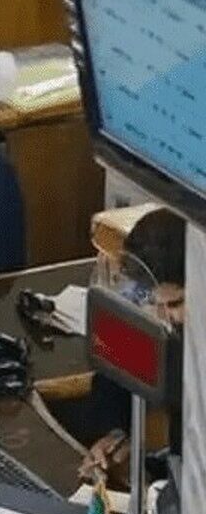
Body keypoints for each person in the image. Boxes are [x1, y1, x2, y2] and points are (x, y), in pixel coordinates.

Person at [79, 208, 186, 486]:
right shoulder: (159, 312)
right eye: (154, 302)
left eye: (175, 304)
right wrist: (114, 436)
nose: (164, 317)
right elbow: (115, 377)